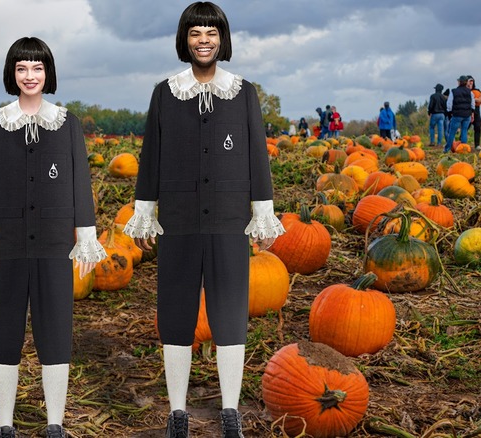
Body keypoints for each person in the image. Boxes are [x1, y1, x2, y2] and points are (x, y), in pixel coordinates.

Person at [123, 3, 285, 437]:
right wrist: (145, 211)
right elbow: (151, 156)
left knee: (230, 313)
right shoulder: (166, 92)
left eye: (211, 33)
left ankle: (229, 410)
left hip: (229, 219)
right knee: (175, 313)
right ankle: (178, 412)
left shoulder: (243, 91)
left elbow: (255, 155)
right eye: (196, 33)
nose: (204, 41)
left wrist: (262, 212)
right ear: (185, 40)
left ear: (222, 39)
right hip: (178, 219)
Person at [0, 37, 105, 438]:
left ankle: (54, 422)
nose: (30, 75)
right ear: (12, 74)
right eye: (22, 68)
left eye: (37, 68)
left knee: (56, 329)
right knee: (3, 330)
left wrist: (85, 237)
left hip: (55, 243)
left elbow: (80, 185)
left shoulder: (66, 123)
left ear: (47, 73)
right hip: (7, 243)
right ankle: (5, 424)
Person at [445, 75, 475, 153]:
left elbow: (449, 104)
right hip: (467, 115)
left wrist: (449, 113)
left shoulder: (454, 91)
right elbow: (472, 104)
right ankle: (463, 149)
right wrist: (471, 112)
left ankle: (447, 149)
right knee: (464, 131)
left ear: (459, 82)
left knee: (452, 132)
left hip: (457, 115)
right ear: (466, 83)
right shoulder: (470, 92)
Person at [467, 75, 481, 150]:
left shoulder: (477, 90)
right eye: (469, 81)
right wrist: (474, 100)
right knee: (465, 128)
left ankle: (477, 145)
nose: (471, 83)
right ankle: (460, 143)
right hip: (468, 111)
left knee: (477, 127)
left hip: (477, 112)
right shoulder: (465, 90)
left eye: (472, 81)